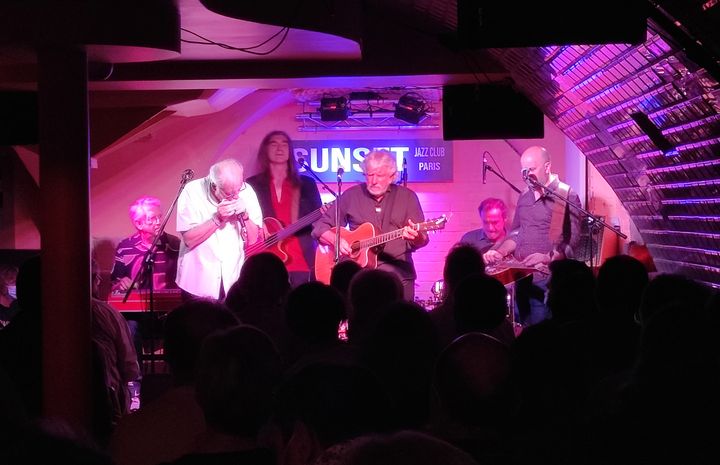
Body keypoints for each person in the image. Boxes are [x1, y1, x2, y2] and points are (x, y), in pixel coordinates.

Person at [312, 150, 429, 301]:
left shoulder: (407, 198)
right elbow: (320, 227)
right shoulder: (351, 195)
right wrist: (336, 240)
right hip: (360, 279)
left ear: (392, 177)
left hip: (398, 275)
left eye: (379, 175)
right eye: (369, 175)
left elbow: (422, 240)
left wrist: (416, 237)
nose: (373, 181)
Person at [485, 146, 581, 326]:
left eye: (532, 169)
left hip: (547, 283)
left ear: (547, 167)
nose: (527, 175)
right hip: (521, 279)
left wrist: (547, 258)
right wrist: (501, 252)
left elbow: (573, 240)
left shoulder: (565, 195)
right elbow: (516, 233)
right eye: (524, 170)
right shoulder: (524, 195)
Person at [175, 159, 263, 300]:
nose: (235, 196)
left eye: (239, 189)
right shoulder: (192, 191)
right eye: (229, 194)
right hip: (198, 282)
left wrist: (245, 216)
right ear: (214, 186)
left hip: (233, 279)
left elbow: (254, 239)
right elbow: (189, 240)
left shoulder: (248, 192)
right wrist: (217, 219)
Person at [246, 130, 323, 287]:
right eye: (274, 143)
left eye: (284, 144)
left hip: (301, 256)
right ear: (265, 150)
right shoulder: (251, 184)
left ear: (290, 151)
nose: (279, 148)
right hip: (265, 255)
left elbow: (320, 218)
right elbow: (244, 217)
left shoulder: (306, 184)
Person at [110, 196, 180, 293]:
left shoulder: (175, 244)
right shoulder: (125, 247)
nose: (159, 222)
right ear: (138, 224)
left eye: (160, 216)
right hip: (135, 304)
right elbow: (113, 285)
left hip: (169, 304)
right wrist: (121, 284)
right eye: (152, 218)